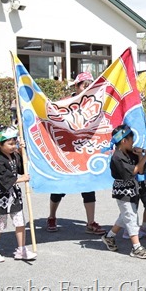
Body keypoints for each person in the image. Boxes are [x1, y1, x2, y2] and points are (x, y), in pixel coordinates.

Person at [46, 71, 105, 235]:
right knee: (59, 187)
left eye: (90, 85)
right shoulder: (65, 103)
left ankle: (90, 222)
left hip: (85, 151)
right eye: (85, 85)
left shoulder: (93, 103)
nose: (88, 88)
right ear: (77, 86)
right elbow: (49, 115)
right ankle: (52, 216)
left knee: (89, 186)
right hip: (66, 150)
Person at [100, 124, 146, 259]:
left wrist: (141, 154)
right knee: (130, 217)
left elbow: (141, 170)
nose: (133, 143)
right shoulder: (117, 157)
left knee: (125, 217)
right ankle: (136, 247)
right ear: (124, 141)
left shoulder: (130, 153)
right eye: (131, 140)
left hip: (133, 189)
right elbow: (133, 171)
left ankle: (109, 237)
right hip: (123, 191)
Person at [0, 126, 36, 262]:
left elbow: (21, 167)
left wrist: (21, 150)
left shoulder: (14, 156)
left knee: (20, 222)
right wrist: (21, 179)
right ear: (0, 144)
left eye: (15, 143)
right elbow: (4, 180)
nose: (13, 146)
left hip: (13, 195)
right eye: (10, 144)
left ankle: (22, 249)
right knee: (0, 224)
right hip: (0, 196)